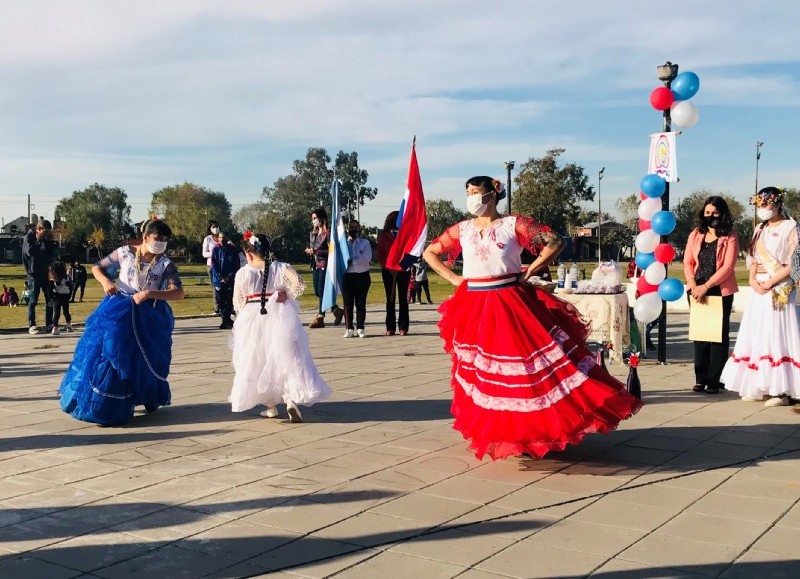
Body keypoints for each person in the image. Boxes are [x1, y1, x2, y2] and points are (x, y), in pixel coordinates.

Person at [423, 175, 642, 461]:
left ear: (492, 195)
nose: (472, 197)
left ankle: (538, 431)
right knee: (486, 372)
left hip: (509, 301)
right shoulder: (462, 229)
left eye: (477, 192)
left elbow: (555, 241)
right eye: (468, 192)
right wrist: (453, 278)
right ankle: (506, 431)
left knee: (527, 367)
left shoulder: (512, 225)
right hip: (474, 304)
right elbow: (430, 252)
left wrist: (529, 271)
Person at [59, 219, 184, 426]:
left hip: (149, 315)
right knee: (111, 351)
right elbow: (97, 267)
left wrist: (149, 293)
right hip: (119, 310)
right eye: (157, 239)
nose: (161, 243)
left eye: (164, 240)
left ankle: (148, 395)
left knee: (147, 357)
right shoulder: (125, 252)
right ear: (145, 237)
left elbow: (178, 293)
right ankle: (106, 403)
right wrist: (106, 281)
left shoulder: (165, 263)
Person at [229, 232, 331, 422]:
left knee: (258, 360)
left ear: (248, 254)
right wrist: (284, 293)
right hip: (279, 317)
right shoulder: (280, 267)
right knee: (286, 358)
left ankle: (270, 406)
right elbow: (299, 284)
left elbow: (238, 301)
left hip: (253, 319)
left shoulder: (243, 272)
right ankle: (290, 399)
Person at [721, 187, 800, 407]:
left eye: (766, 204)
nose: (762, 209)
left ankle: (782, 389)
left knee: (778, 333)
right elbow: (753, 258)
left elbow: (795, 261)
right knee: (758, 332)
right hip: (759, 289)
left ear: (777, 204)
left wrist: (772, 281)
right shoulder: (758, 229)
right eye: (759, 205)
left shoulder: (791, 227)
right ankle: (759, 384)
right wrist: (754, 280)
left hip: (779, 287)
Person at [683, 196, 739, 394]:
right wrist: (693, 285)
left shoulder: (729, 236)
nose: (711, 216)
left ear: (722, 214)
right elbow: (688, 261)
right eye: (707, 213)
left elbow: (728, 266)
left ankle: (715, 380)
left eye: (715, 213)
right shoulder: (696, 234)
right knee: (700, 335)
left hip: (718, 290)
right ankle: (701, 378)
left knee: (717, 336)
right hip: (695, 289)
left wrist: (706, 286)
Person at [306, 208, 344, 329]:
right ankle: (336, 309)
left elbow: (331, 250)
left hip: (325, 264)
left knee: (322, 290)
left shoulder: (328, 233)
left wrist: (316, 251)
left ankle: (320, 316)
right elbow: (313, 247)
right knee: (318, 291)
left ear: (322, 218)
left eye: (315, 218)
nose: (314, 221)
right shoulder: (313, 233)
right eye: (312, 219)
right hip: (315, 264)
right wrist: (310, 251)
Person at [377, 211, 411, 336]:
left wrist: (403, 265)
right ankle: (390, 327)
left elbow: (410, 251)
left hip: (403, 270)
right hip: (388, 271)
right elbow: (380, 254)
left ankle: (403, 327)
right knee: (390, 299)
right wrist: (388, 267)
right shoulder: (384, 235)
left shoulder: (406, 234)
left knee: (403, 299)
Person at [22, 220, 60, 334]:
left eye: (48, 232)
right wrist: (39, 240)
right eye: (44, 232)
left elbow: (52, 255)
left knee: (49, 299)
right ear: (38, 229)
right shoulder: (29, 238)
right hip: (34, 274)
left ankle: (49, 323)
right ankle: (32, 324)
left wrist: (51, 243)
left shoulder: (45, 240)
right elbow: (30, 252)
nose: (46, 234)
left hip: (46, 273)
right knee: (33, 299)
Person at [342, 220, 372, 338]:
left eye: (356, 227)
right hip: (347, 276)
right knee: (348, 303)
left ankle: (360, 327)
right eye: (351, 227)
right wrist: (353, 261)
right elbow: (341, 258)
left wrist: (351, 261)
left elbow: (366, 258)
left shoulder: (365, 243)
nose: (354, 229)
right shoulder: (343, 243)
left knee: (360, 303)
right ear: (347, 228)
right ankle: (349, 328)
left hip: (362, 276)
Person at [210, 232, 241, 329]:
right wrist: (220, 277)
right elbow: (213, 265)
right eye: (220, 238)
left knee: (229, 300)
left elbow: (236, 265)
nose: (221, 240)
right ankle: (224, 319)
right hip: (219, 281)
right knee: (221, 301)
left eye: (223, 238)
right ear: (217, 239)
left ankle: (227, 319)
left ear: (227, 239)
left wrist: (229, 277)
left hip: (230, 280)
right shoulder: (215, 250)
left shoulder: (232, 250)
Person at [48, 261, 74, 335]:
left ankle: (55, 327)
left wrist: (51, 297)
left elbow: (49, 290)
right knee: (66, 311)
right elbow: (71, 287)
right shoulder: (66, 279)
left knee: (56, 313)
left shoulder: (53, 280)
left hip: (57, 297)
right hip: (65, 296)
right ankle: (68, 324)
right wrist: (69, 295)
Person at [202, 220, 221, 314]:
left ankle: (227, 307)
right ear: (210, 229)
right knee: (215, 287)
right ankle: (217, 308)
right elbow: (204, 254)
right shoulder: (208, 239)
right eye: (213, 227)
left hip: (223, 265)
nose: (215, 228)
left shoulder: (223, 237)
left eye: (217, 226)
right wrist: (215, 253)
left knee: (225, 286)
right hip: (212, 265)